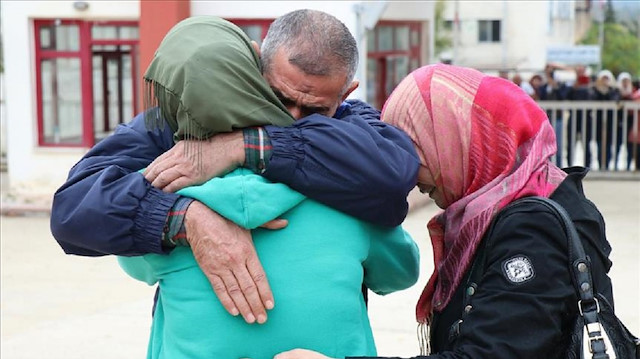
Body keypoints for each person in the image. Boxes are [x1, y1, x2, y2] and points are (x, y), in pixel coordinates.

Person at [50, 9, 419, 324]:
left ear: (347, 93)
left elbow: (394, 179)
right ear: (256, 62)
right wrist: (186, 218)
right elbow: (73, 211)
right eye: (278, 97)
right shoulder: (178, 120)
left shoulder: (357, 128)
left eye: (313, 111)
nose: (290, 118)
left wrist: (247, 147)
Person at [274, 64, 616, 359]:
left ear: (458, 142)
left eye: (415, 151)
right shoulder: (500, 210)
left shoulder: (533, 229)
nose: (408, 176)